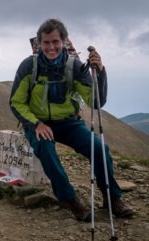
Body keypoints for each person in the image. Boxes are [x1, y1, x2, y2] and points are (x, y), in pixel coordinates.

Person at [9, 18, 134, 221]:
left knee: (98, 148)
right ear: (39, 43)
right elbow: (16, 102)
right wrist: (36, 124)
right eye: (46, 42)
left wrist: (100, 71)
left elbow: (96, 101)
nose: (51, 47)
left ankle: (112, 198)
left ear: (64, 41)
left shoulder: (73, 66)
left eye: (55, 42)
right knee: (46, 151)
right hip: (38, 122)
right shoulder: (28, 67)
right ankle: (70, 200)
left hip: (68, 122)